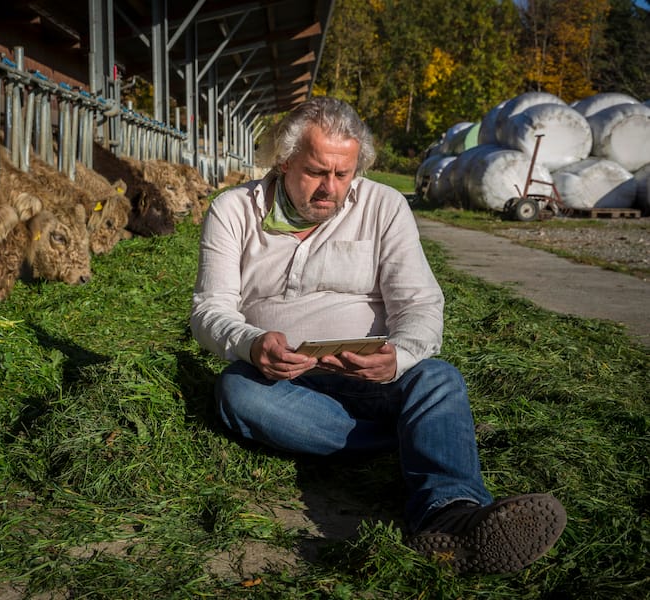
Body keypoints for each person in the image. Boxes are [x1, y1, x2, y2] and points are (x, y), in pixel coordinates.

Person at [189, 97, 566, 574]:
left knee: (437, 378)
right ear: (283, 161)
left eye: (342, 174)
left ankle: (451, 515)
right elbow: (209, 309)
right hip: (282, 380)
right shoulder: (234, 210)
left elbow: (420, 305)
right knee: (236, 391)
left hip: (373, 379)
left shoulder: (383, 206)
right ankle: (413, 436)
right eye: (316, 172)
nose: (330, 188)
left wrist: (398, 358)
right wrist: (252, 344)